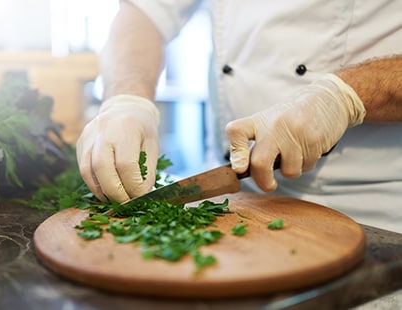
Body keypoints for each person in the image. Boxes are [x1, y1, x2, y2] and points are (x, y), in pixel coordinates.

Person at [76, 0, 402, 233]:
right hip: (235, 205)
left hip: (369, 215)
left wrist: (346, 96)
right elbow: (143, 13)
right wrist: (126, 98)